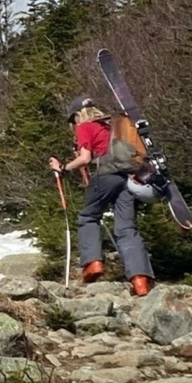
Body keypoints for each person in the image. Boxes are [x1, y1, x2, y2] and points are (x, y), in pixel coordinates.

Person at [49, 96, 155, 296]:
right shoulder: (111, 126)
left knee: (88, 216)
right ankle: (140, 281)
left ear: (77, 116)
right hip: (130, 178)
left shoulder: (85, 127)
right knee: (126, 228)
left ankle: (93, 263)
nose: (73, 125)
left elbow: (85, 158)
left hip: (106, 176)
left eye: (72, 121)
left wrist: (62, 168)